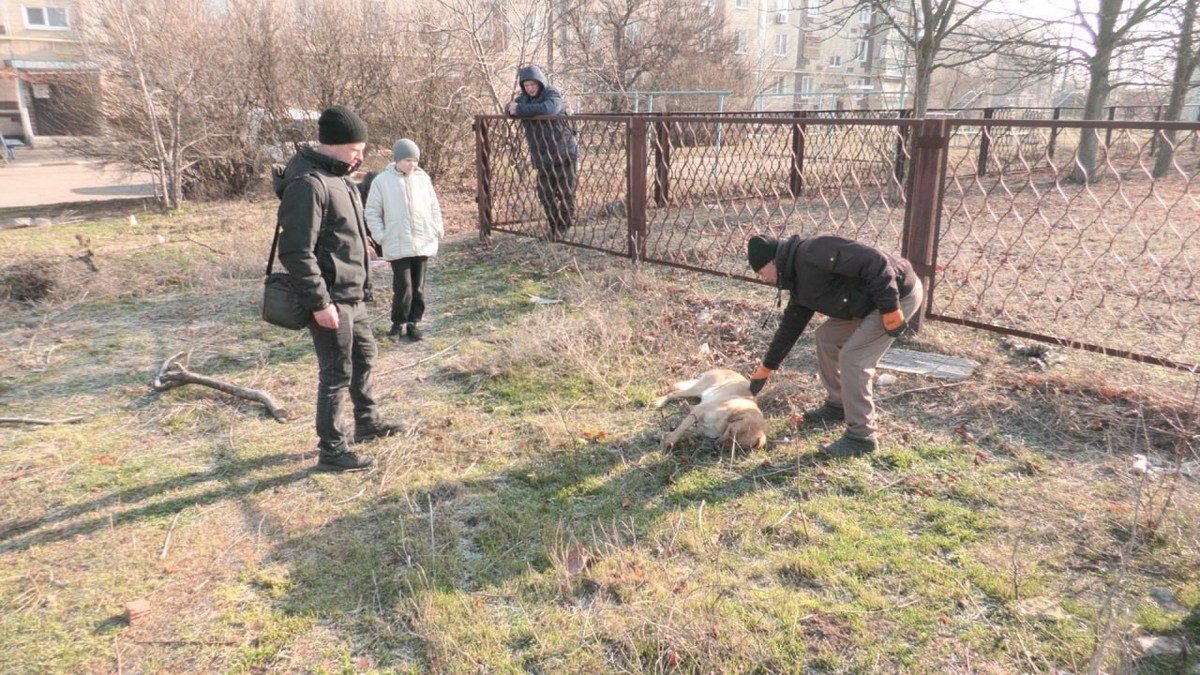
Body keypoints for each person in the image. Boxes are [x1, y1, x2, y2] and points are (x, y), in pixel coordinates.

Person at [273, 105, 403, 472]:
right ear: (332, 144)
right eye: (355, 148)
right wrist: (320, 303)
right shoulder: (308, 184)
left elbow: (342, 232)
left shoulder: (338, 176)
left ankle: (367, 422)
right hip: (331, 300)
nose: (360, 155)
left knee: (365, 357)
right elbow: (296, 251)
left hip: (353, 294)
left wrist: (368, 253)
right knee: (335, 373)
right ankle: (332, 450)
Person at [745, 233, 924, 458]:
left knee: (853, 358)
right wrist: (767, 368)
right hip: (868, 303)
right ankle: (838, 406)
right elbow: (790, 327)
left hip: (896, 295)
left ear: (772, 261)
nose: (762, 279)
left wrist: (890, 308)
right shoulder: (798, 282)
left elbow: (875, 261)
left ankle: (862, 437)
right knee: (826, 336)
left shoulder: (815, 250)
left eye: (760, 272)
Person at [365, 138, 445, 342]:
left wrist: (437, 228)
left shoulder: (423, 179)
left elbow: (434, 206)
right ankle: (397, 323)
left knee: (418, 286)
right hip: (397, 242)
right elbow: (372, 212)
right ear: (397, 159)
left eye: (415, 160)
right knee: (403, 286)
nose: (412, 164)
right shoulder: (382, 181)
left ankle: (413, 323)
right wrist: (381, 236)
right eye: (408, 160)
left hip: (422, 241)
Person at [504, 64, 577, 240]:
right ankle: (554, 227)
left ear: (540, 82)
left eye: (533, 85)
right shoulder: (524, 99)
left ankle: (563, 228)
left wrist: (520, 110)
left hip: (563, 152)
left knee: (566, 193)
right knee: (545, 194)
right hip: (542, 156)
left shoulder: (551, 92)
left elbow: (549, 108)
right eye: (526, 85)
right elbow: (508, 108)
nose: (530, 88)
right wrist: (513, 108)